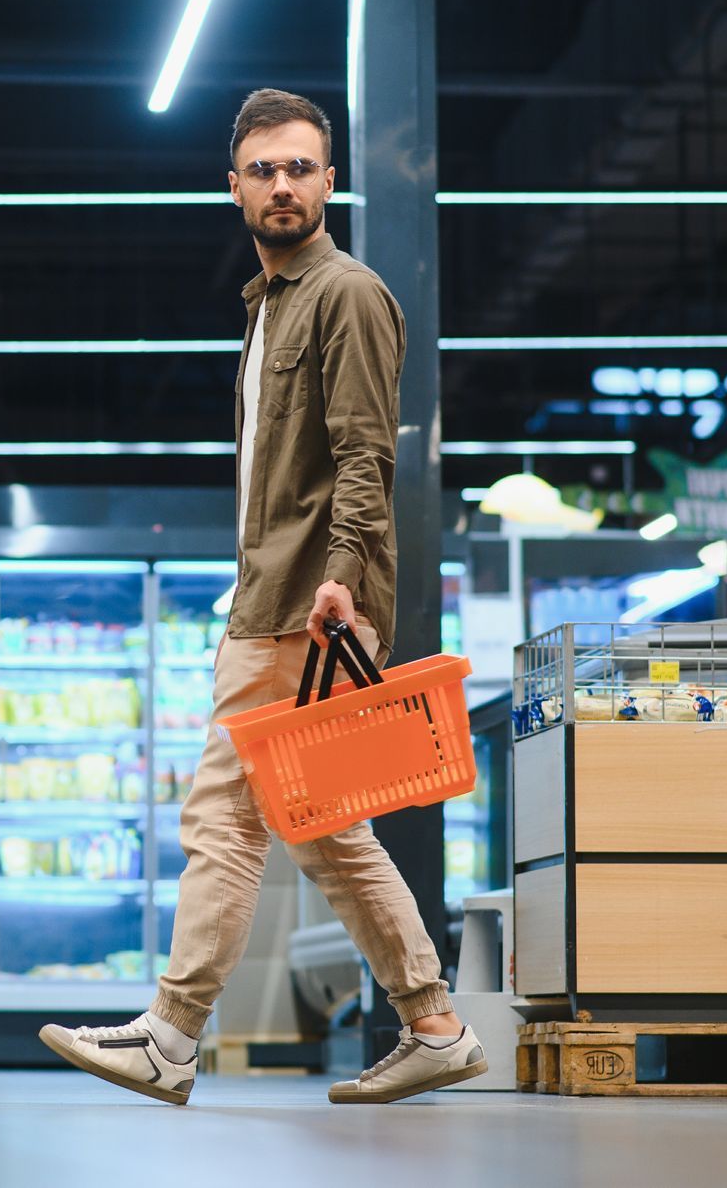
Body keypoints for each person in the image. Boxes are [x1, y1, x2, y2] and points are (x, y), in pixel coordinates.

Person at [39, 89, 484, 1106]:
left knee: (225, 822)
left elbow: (367, 454)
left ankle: (172, 1033)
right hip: (280, 595)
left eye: (300, 168)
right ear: (234, 187)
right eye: (263, 170)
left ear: (331, 180)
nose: (282, 185)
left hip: (302, 605)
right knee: (328, 833)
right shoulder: (273, 303)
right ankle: (437, 1026)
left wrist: (341, 577)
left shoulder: (348, 294)